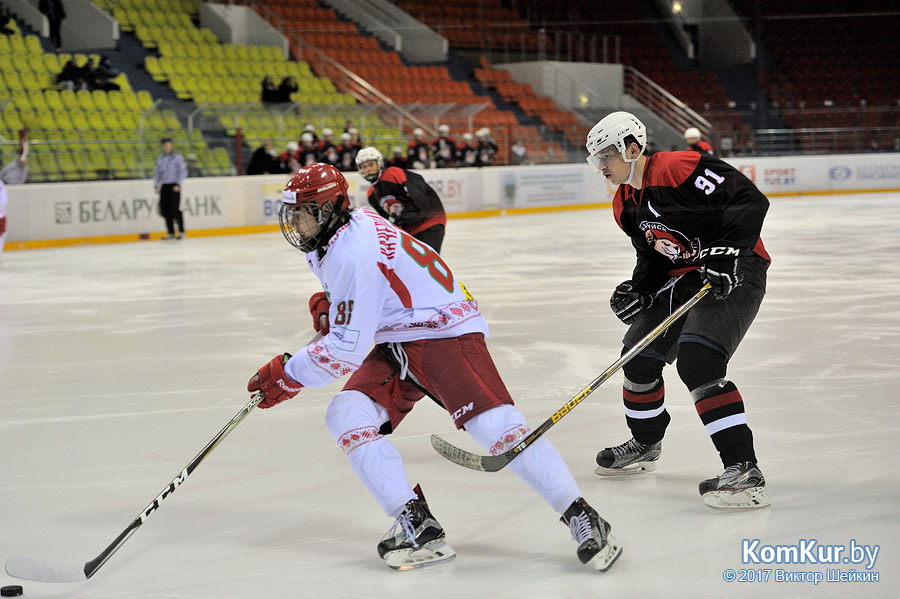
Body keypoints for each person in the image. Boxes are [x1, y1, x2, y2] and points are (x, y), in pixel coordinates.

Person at [247, 162, 622, 572]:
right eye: (293, 213)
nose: (296, 223)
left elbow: (344, 351)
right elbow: (371, 290)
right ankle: (415, 523)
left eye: (305, 212)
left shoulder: (352, 251)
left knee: (498, 429)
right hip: (402, 335)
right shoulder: (343, 230)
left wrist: (287, 372)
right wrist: (333, 301)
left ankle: (584, 516)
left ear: (332, 208)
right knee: (347, 413)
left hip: (444, 329)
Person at [585, 111, 771, 510]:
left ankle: (743, 470)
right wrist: (639, 288)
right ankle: (646, 444)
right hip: (685, 276)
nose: (601, 166)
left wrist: (728, 250)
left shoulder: (675, 167)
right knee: (637, 359)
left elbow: (747, 198)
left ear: (632, 149)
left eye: (606, 156)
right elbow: (654, 258)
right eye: (596, 159)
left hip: (736, 268)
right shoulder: (624, 204)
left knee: (699, 360)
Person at [356, 146, 446, 253]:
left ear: (379, 163)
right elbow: (388, 220)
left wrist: (402, 218)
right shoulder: (371, 194)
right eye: (364, 166)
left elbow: (420, 200)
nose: (368, 169)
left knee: (427, 266)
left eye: (371, 164)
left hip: (429, 222)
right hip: (409, 232)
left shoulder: (392, 174)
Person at [152, 137, 187, 240]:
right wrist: (156, 185)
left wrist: (178, 184)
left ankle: (181, 231)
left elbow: (183, 171)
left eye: (169, 145)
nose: (167, 147)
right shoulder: (160, 159)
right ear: (163, 146)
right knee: (165, 210)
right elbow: (157, 173)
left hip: (174, 185)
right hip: (165, 185)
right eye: (165, 145)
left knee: (174, 209)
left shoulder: (177, 158)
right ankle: (170, 232)